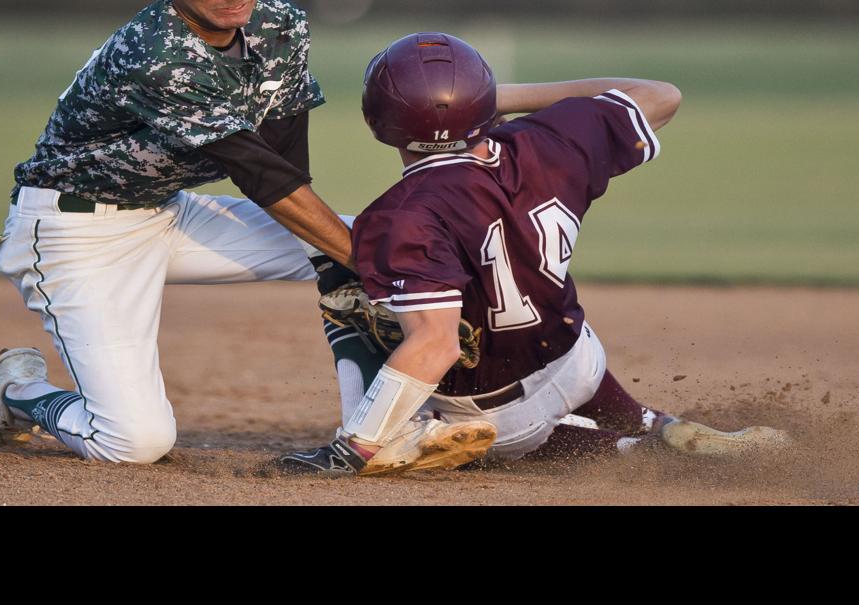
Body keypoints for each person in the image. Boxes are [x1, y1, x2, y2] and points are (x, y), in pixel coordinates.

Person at [0, 1, 495, 470]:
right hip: (75, 232)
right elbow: (261, 177)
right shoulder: (156, 52)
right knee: (135, 443)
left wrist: (371, 260)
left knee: (360, 246)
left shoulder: (279, 23)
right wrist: (377, 269)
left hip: (168, 210)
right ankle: (19, 393)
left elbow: (287, 161)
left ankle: (383, 428)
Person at [277, 32, 786, 475]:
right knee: (533, 305)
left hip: (493, 413)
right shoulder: (552, 142)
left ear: (376, 123)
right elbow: (661, 96)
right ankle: (653, 422)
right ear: (482, 97)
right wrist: (497, 98)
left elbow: (436, 346)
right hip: (576, 355)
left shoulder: (397, 216)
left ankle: (633, 447)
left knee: (344, 278)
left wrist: (355, 450)